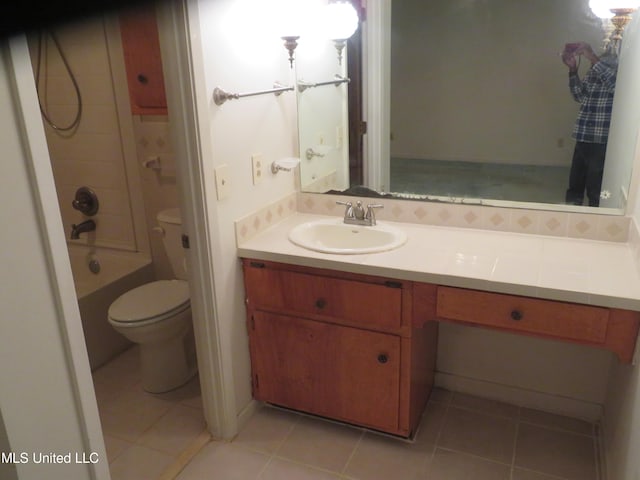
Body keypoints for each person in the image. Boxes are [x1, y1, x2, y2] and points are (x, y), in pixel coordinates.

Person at [561, 41, 617, 207]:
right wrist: (572, 70)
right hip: (583, 134)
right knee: (575, 185)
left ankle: (594, 224)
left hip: (601, 139)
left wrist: (592, 58)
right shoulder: (594, 69)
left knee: (596, 188)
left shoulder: (619, 69)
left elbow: (615, 86)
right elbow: (579, 96)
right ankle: (569, 220)